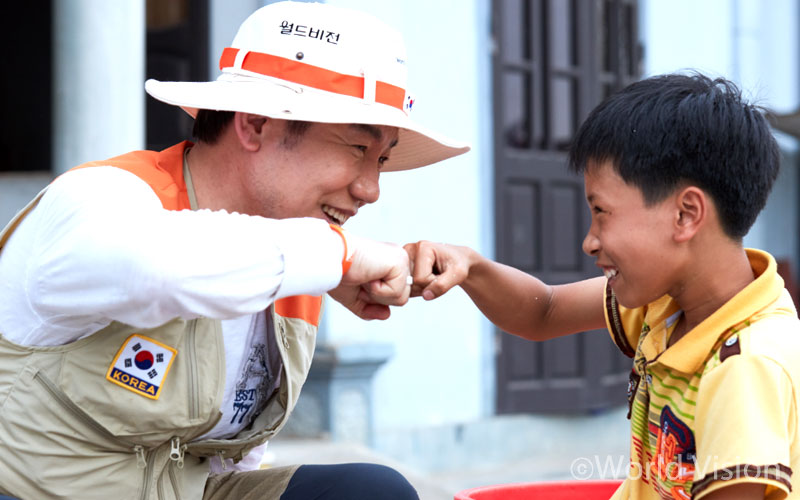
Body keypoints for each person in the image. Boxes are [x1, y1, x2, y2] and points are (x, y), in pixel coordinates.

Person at [0, 2, 469, 499]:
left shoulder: (301, 253)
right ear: (256, 125)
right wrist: (342, 257)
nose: (371, 189)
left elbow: (233, 455)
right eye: (357, 149)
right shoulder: (101, 199)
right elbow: (158, 270)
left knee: (370, 492)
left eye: (382, 158)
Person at [406, 73, 799, 500]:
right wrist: (470, 267)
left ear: (686, 215)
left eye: (602, 212)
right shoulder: (668, 303)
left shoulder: (744, 365)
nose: (589, 240)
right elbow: (545, 311)